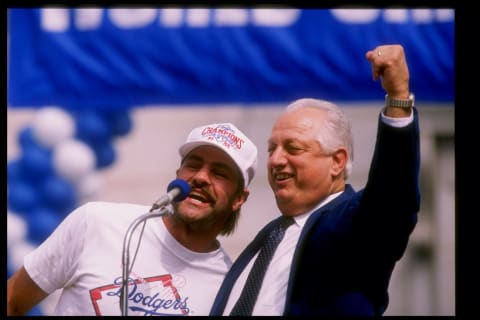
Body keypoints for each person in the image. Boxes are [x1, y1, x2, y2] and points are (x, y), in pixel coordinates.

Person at [209, 44, 421, 316]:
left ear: (337, 162)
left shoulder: (352, 225)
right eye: (272, 149)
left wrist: (398, 98)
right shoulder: (272, 237)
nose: (276, 160)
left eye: (293, 149)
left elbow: (393, 198)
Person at [7, 122, 258, 316]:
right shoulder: (96, 221)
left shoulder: (231, 287)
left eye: (219, 173)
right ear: (178, 174)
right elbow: (13, 300)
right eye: (193, 165)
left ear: (239, 198)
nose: (201, 177)